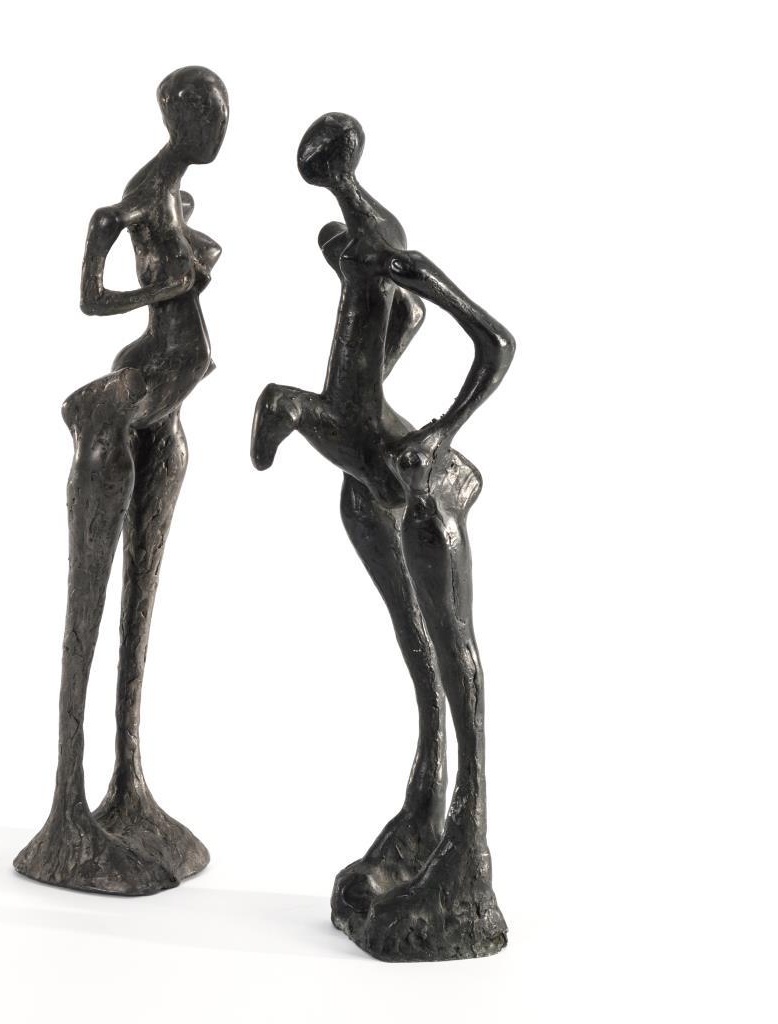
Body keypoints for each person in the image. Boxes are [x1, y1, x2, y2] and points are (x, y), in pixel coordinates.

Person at [251, 112, 515, 960]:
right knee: (416, 648)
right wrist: (363, 387)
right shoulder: (352, 245)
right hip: (368, 479)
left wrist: (437, 431)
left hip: (416, 483)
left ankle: (467, 850)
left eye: (321, 156)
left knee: (453, 652)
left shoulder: (386, 250)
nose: (313, 163)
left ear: (342, 159)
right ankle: (422, 817)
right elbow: (405, 325)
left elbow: (495, 342)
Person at [14, 67, 227, 895]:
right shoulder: (141, 196)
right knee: (90, 607)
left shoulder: (175, 198)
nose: (218, 127)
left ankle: (126, 788)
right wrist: (162, 285)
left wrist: (193, 258)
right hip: (131, 401)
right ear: (178, 114)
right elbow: (91, 295)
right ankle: (69, 812)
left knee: (143, 598)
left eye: (223, 114)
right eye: (207, 113)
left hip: (166, 403)